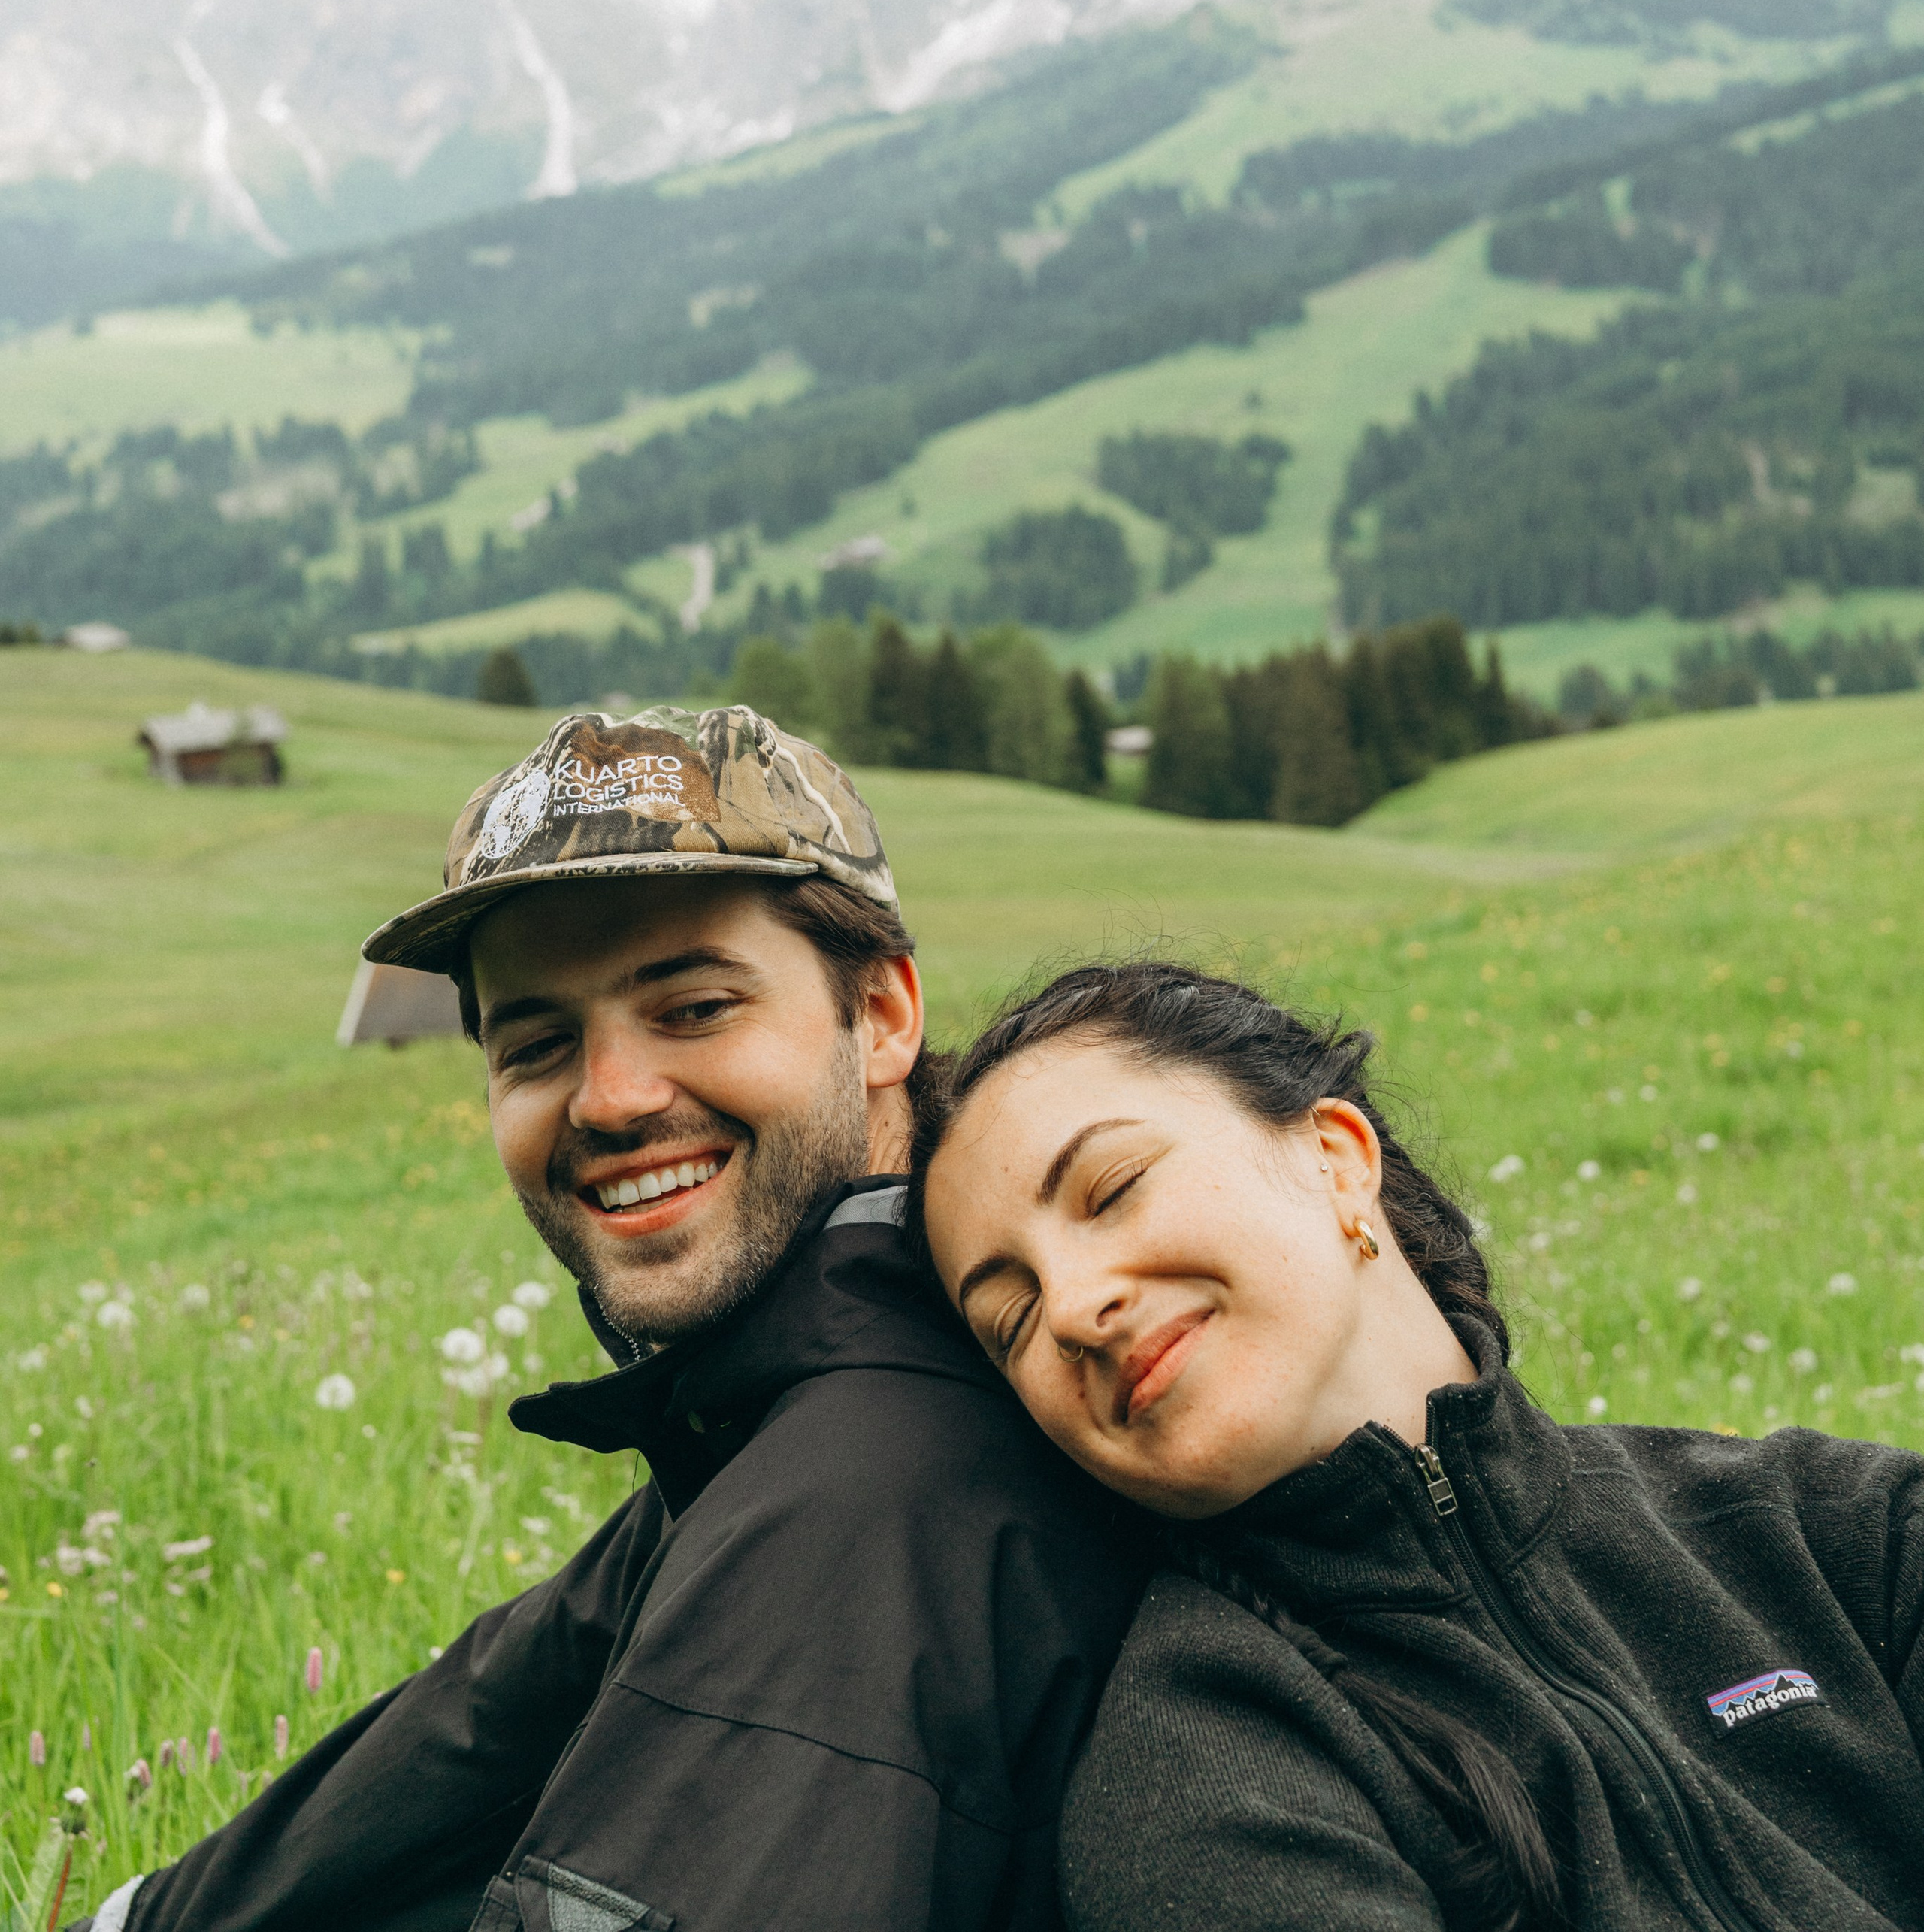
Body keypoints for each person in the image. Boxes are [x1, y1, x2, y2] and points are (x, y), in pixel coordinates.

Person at [89, 707, 1139, 1932]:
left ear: (887, 1016)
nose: (613, 1099)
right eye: (537, 1045)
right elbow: (480, 1723)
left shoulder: (867, 1486)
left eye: (693, 1008)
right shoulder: (807, 1376)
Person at [911, 958, 1924, 1932]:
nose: (1077, 1310)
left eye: (1113, 1186)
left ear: (1336, 1158)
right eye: (1013, 1319)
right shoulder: (1203, 1766)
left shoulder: (1839, 1527)